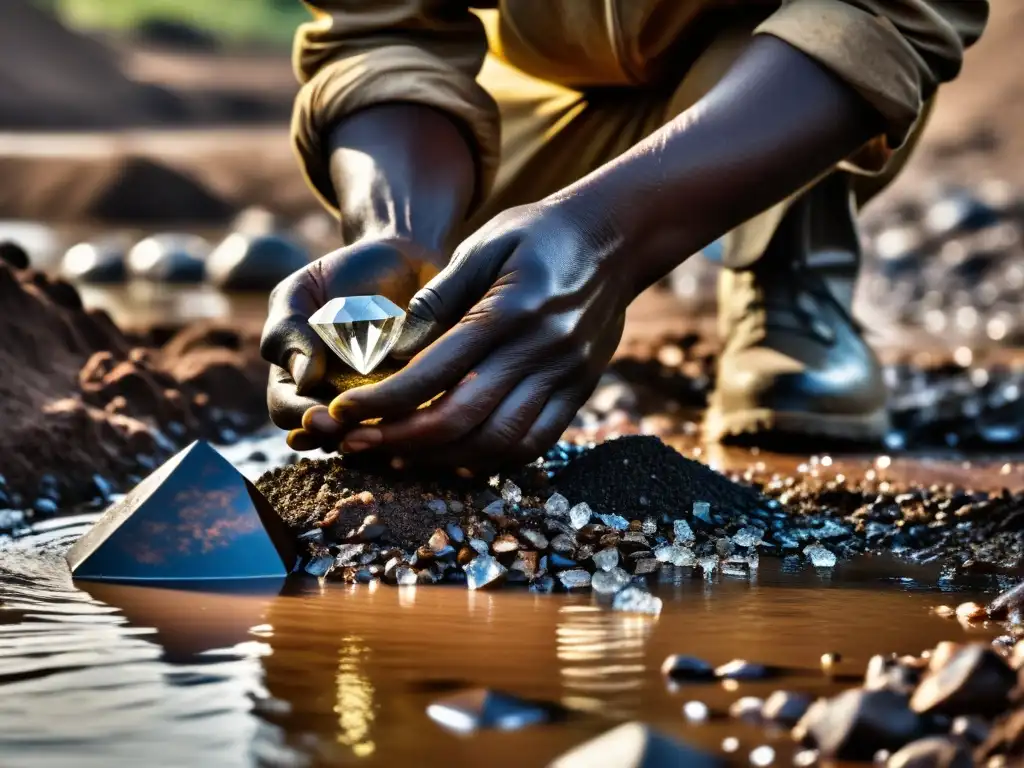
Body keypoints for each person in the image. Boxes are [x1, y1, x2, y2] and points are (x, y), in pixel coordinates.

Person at [261, 0, 987, 470]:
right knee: (470, 284)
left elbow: (893, 11)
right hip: (544, 98)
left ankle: (793, 258)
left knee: (821, 39)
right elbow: (381, 31)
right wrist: (400, 231)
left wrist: (609, 236)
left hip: (768, 81)